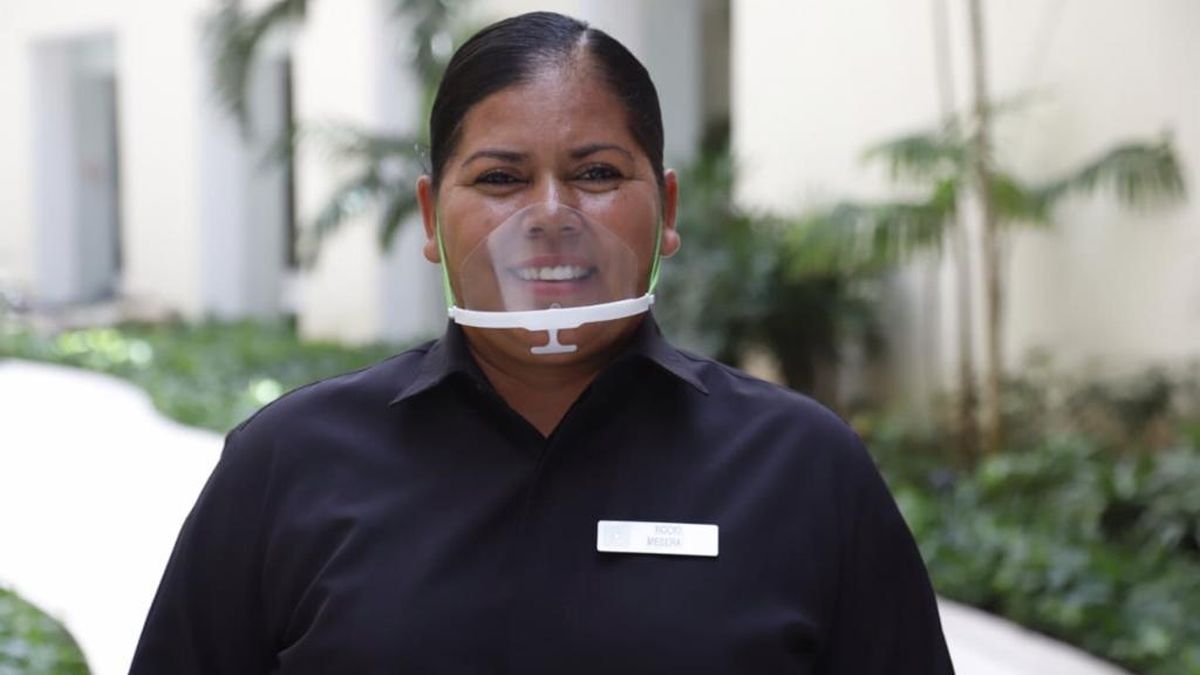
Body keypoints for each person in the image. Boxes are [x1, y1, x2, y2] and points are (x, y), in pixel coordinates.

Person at [131, 11, 954, 674]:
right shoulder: (288, 462)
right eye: (500, 178)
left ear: (667, 209)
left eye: (597, 174)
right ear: (430, 217)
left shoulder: (804, 469)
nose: (550, 215)